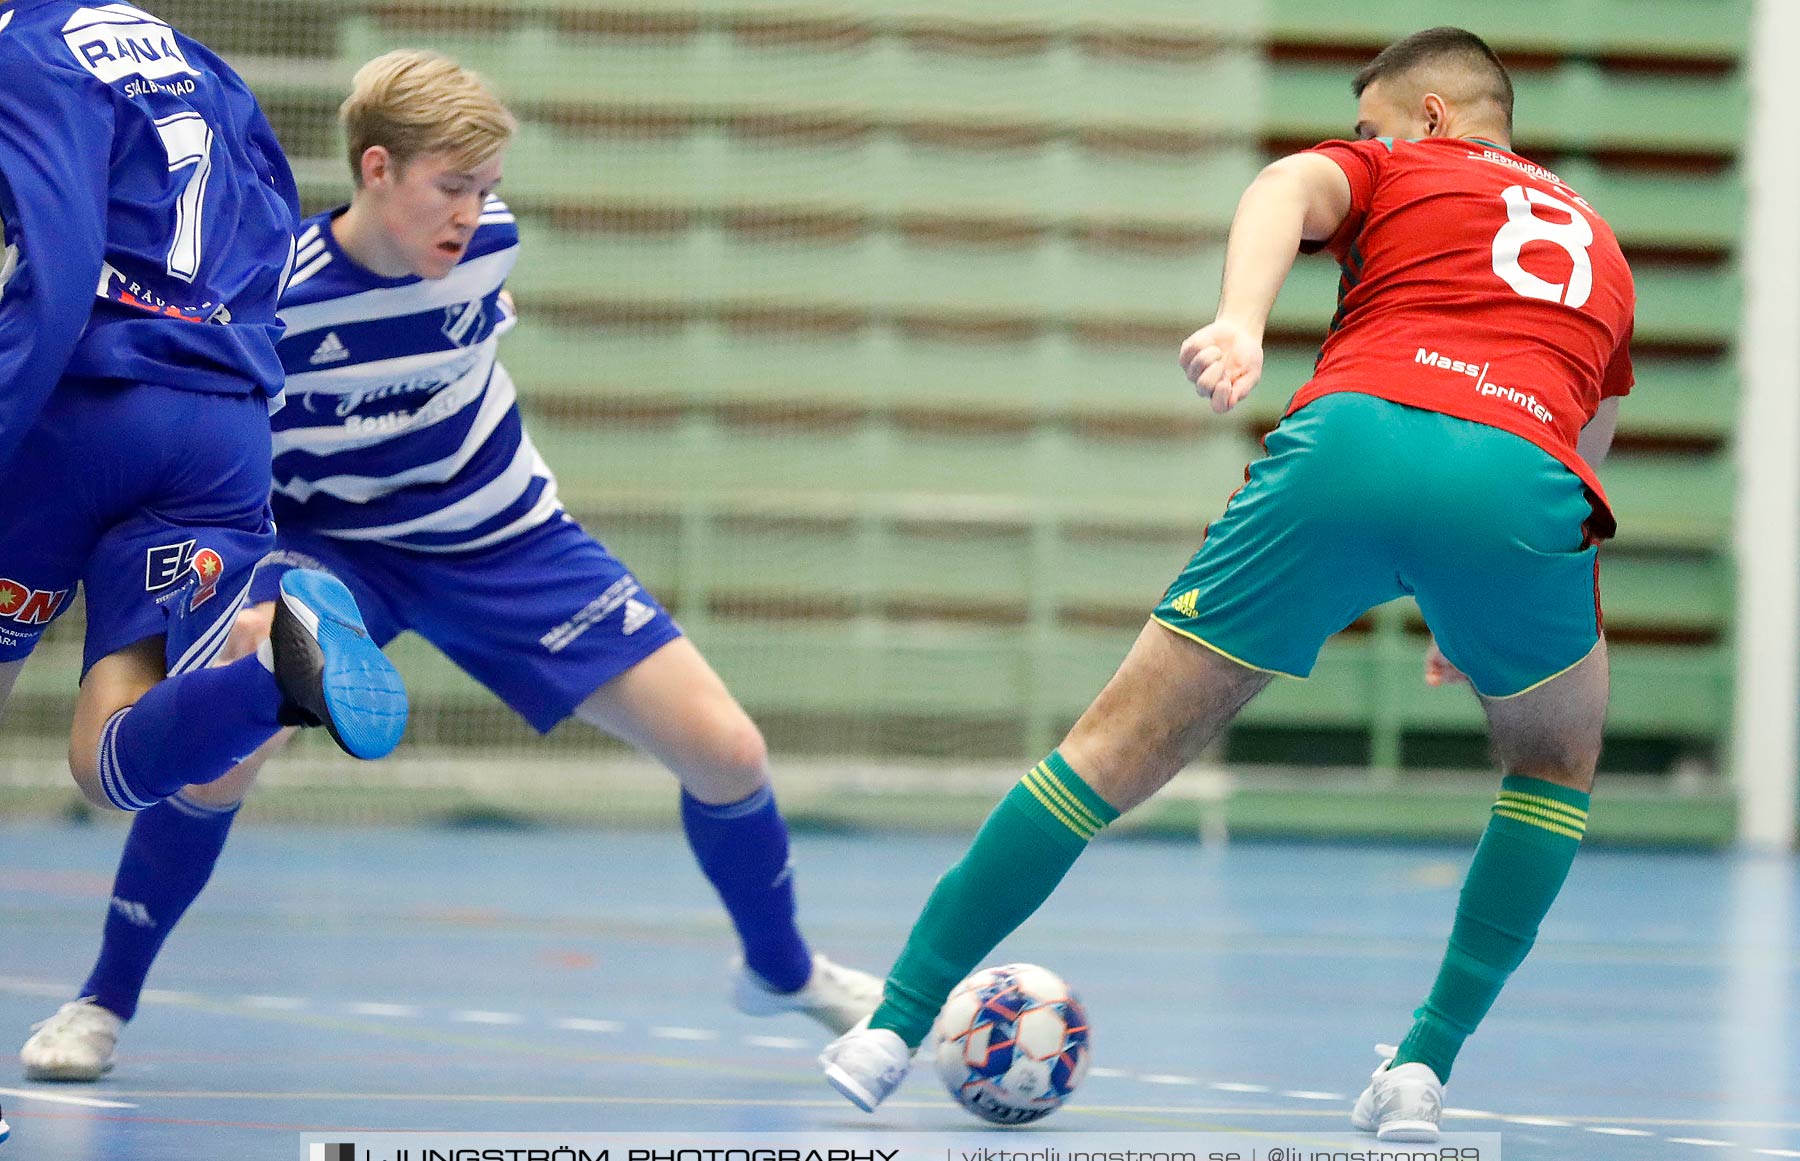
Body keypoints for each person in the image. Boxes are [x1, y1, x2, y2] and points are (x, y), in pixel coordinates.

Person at [819, 26, 1633, 1144]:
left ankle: (893, 1026)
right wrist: (1478, 600)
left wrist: (1241, 323)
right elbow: (1596, 422)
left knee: (1114, 747)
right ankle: (1420, 1071)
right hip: (1529, 478)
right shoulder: (1600, 244)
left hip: (1354, 439)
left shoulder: (1399, 165)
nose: (1359, 142)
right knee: (1553, 760)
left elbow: (1281, 187)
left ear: (1433, 117)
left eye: (1369, 124)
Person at [20, 49, 880, 1083]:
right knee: (223, 748)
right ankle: (103, 1000)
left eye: (486, 188)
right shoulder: (274, 297)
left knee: (729, 750)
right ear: (375, 169)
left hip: (499, 537)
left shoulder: (491, 251)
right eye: (450, 186)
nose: (471, 214)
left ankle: (783, 972)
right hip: (332, 549)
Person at [0, 4, 404, 814]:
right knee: (106, 761)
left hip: (84, 406)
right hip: (223, 420)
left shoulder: (23, 53)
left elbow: (59, 275)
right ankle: (271, 678)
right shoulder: (199, 60)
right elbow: (274, 213)